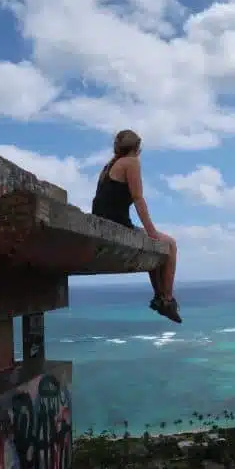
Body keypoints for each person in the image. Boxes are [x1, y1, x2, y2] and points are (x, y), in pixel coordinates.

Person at [91, 129, 182, 323]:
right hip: (116, 222)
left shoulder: (109, 165)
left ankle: (160, 297)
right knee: (171, 245)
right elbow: (138, 198)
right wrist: (151, 231)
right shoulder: (131, 162)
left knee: (153, 244)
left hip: (103, 218)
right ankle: (167, 299)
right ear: (137, 148)